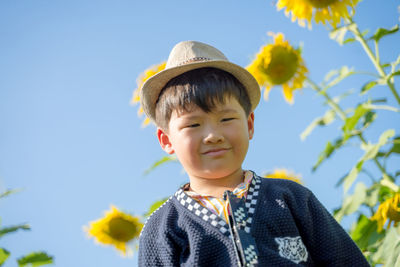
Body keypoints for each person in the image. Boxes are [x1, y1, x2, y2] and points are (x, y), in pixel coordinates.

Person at [138, 40, 369, 266]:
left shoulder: (290, 199)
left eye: (226, 119)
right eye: (193, 125)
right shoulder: (163, 228)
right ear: (166, 140)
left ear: (249, 125)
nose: (213, 135)